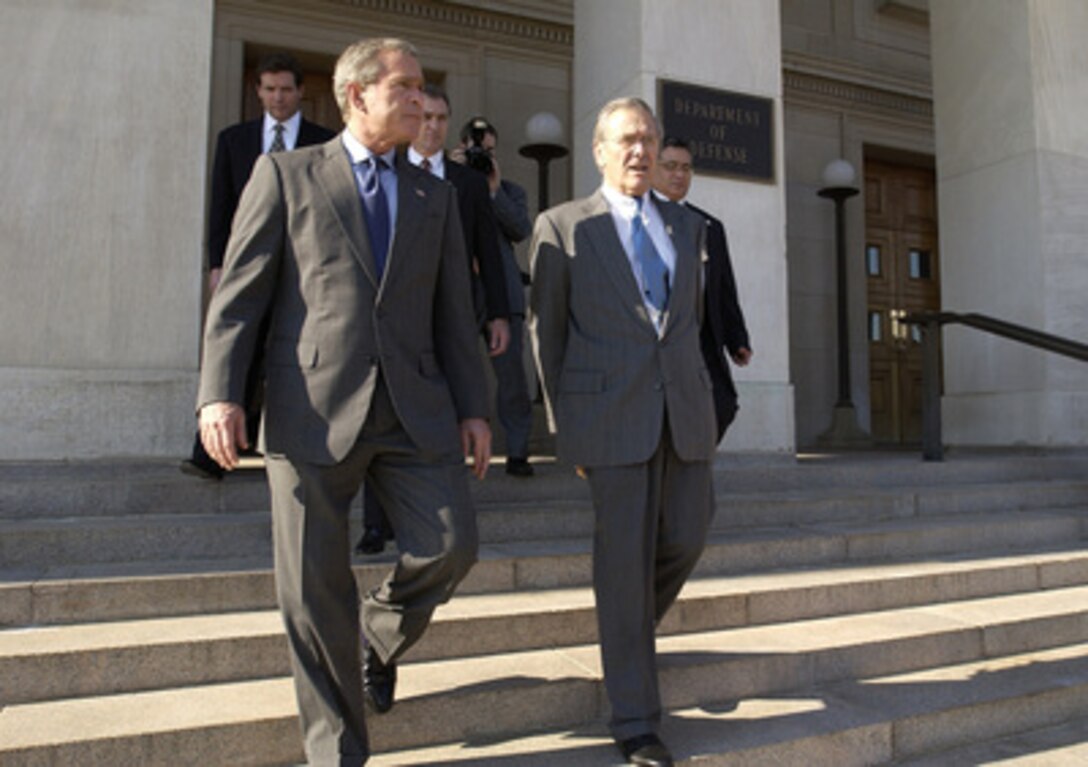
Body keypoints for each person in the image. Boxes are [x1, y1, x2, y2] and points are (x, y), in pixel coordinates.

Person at [196, 38, 491, 765]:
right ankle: (337, 755)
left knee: (453, 543)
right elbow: (239, 300)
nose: (422, 102)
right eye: (407, 88)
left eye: (424, 89)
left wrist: (475, 407)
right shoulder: (285, 174)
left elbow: (455, 311)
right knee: (311, 592)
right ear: (356, 95)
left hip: (413, 407)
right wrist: (219, 396)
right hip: (311, 409)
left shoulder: (437, 194)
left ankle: (379, 629)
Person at [529, 97, 716, 767]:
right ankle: (637, 722)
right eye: (626, 141)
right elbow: (546, 334)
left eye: (648, 139)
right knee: (622, 562)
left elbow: (688, 328)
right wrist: (567, 431)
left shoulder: (688, 226)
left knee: (688, 534)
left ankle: (624, 633)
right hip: (607, 420)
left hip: (683, 418)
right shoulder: (562, 226)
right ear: (600, 151)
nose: (639, 151)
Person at [354, 85, 514, 555]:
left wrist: (499, 314)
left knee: (434, 417)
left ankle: (426, 516)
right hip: (393, 323)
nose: (432, 126)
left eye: (442, 119)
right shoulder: (388, 175)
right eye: (424, 117)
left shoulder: (464, 183)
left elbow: (489, 245)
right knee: (381, 414)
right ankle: (374, 524)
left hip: (451, 320)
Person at [182, 52, 336, 480]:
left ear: (301, 91)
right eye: (269, 89)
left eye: (286, 89)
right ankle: (210, 454)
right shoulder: (235, 140)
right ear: (258, 91)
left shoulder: (324, 141)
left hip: (304, 267)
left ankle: (294, 449)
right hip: (249, 263)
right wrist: (218, 264)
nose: (278, 98)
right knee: (239, 343)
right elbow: (221, 207)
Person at [653, 135, 752, 441]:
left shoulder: (710, 227)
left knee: (722, 406)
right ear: (654, 169)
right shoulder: (640, 220)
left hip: (702, 343)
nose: (678, 175)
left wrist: (737, 338)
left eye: (685, 168)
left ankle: (691, 469)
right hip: (658, 346)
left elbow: (724, 289)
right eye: (670, 166)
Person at [453, 116, 535, 477]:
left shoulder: (510, 191)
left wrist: (491, 189)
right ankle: (451, 449)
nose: (481, 158)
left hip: (503, 292)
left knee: (512, 378)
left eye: (487, 152)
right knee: (452, 369)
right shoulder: (445, 182)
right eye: (475, 152)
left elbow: (520, 229)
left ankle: (518, 451)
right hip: (459, 293)